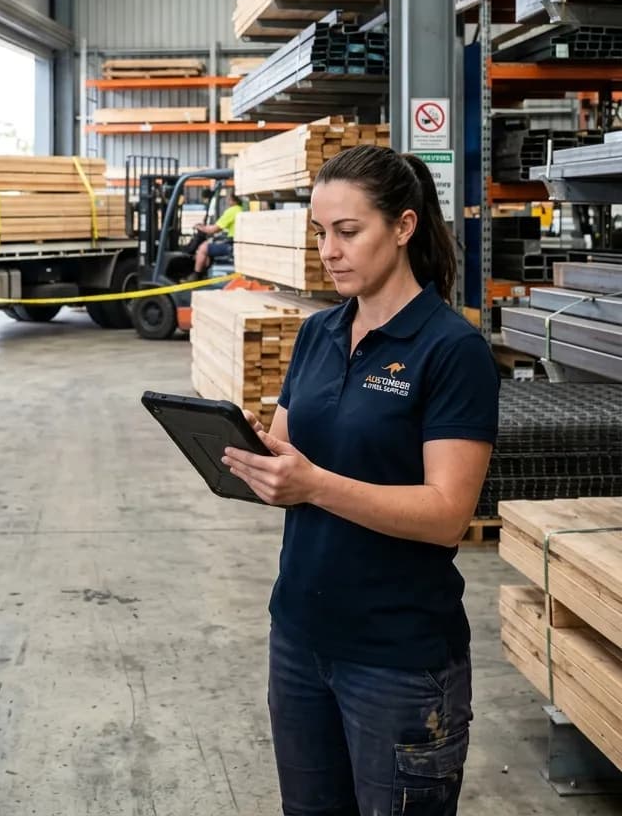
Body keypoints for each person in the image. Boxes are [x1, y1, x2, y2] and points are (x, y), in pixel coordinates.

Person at [221, 144, 499, 816]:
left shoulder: (451, 351)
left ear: (403, 227)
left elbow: (445, 514)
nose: (330, 250)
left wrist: (313, 484)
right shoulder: (319, 334)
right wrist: (247, 454)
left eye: (348, 232)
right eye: (321, 233)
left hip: (396, 658)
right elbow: (286, 445)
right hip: (300, 636)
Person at [187, 193, 243, 279]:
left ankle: (196, 275)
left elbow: (213, 230)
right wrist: (204, 227)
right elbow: (219, 227)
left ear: (233, 200)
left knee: (203, 248)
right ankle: (204, 273)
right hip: (237, 242)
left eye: (229, 199)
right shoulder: (241, 209)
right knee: (209, 244)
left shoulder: (232, 211)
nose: (227, 201)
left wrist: (199, 227)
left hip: (232, 245)